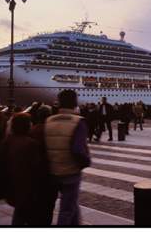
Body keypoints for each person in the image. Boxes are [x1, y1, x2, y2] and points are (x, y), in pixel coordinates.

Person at [43, 90, 91, 225]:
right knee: (66, 210)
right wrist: (86, 162)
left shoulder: (49, 120)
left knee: (71, 204)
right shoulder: (78, 121)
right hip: (70, 172)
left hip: (53, 171)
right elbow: (79, 150)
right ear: (74, 102)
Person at [2, 112, 52, 225]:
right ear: (26, 126)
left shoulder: (7, 141)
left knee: (20, 212)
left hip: (13, 184)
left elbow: (2, 163)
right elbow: (36, 167)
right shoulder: (31, 144)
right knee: (27, 214)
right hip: (28, 186)